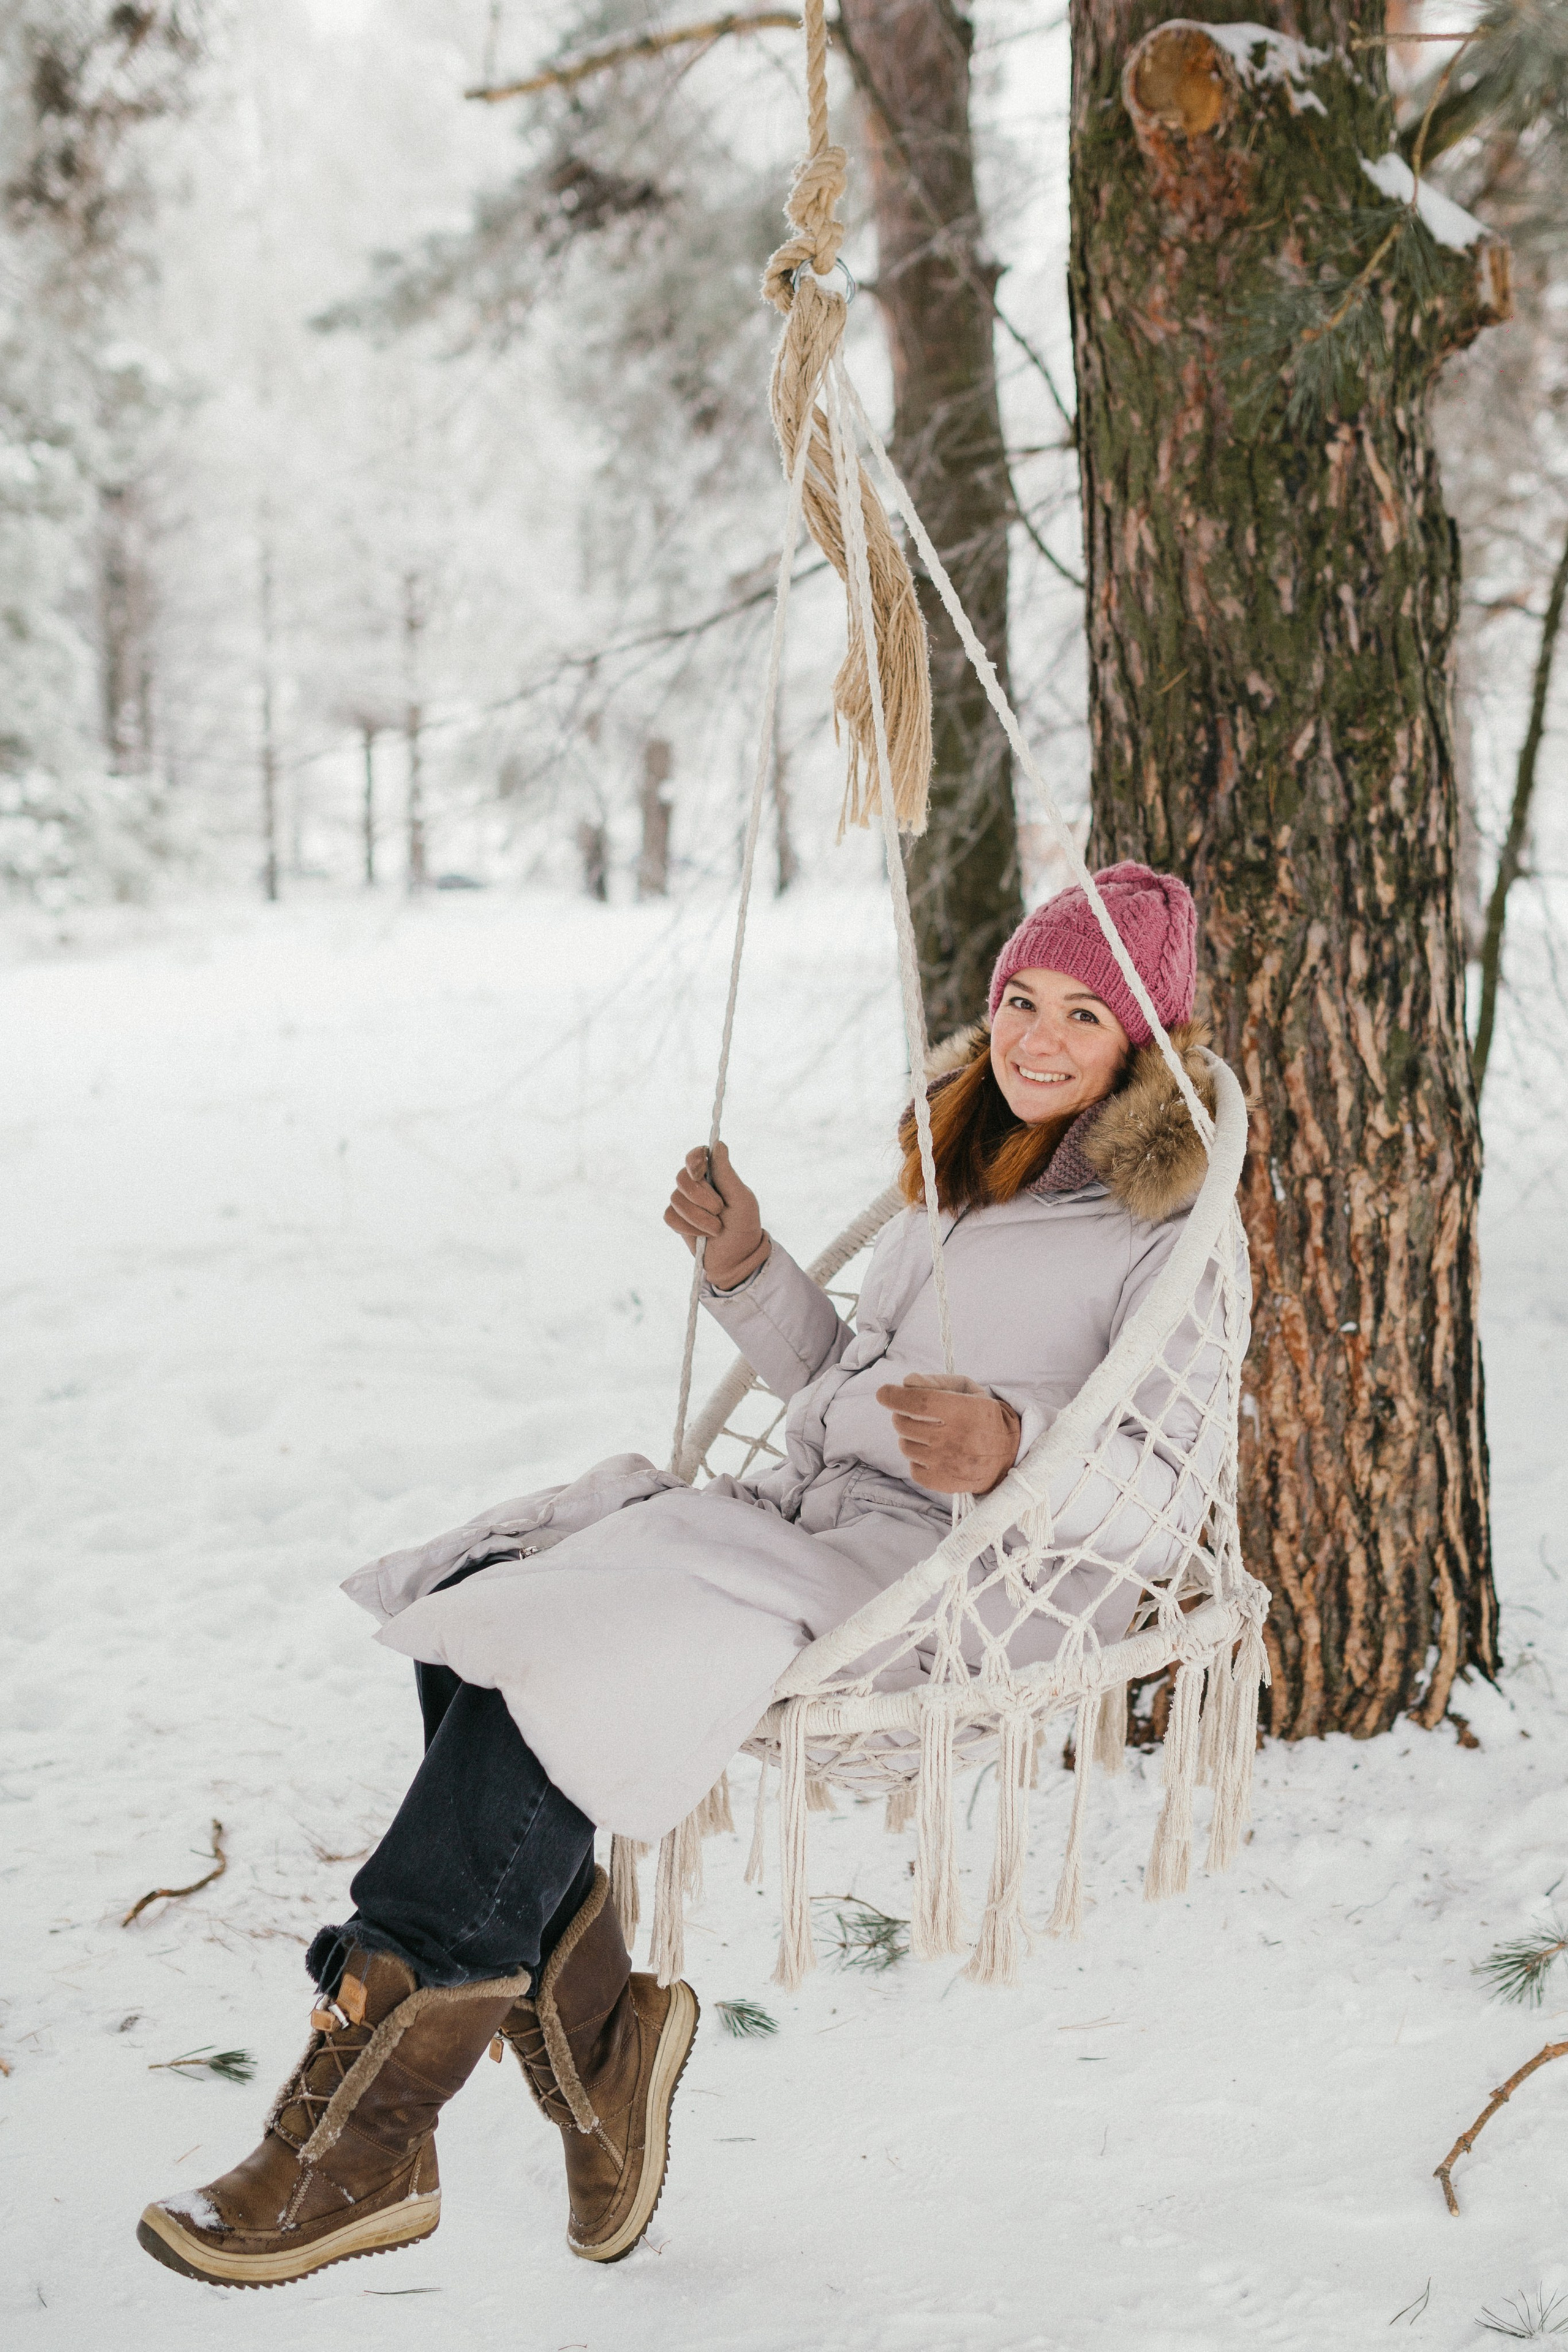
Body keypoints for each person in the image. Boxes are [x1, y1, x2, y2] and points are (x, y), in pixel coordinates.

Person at [137, 860, 1235, 2290]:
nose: (1033, 1038)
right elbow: (845, 1387)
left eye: (1081, 1017)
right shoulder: (964, 1180)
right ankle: (594, 2054)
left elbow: (1173, 1503)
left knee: (562, 1655)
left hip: (938, 1591)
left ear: (1140, 1046)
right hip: (804, 1524)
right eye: (1018, 999)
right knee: (484, 1599)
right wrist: (747, 1266)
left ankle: (361, 2141)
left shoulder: (1160, 1237)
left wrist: (1013, 1445)